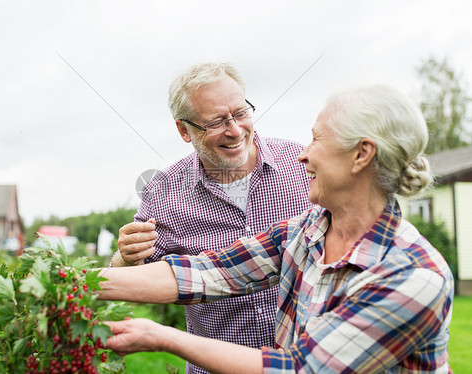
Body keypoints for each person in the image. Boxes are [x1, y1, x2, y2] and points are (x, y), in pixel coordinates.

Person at [99, 84, 454, 373]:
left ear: (361, 155)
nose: (304, 155)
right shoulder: (306, 232)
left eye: (317, 141)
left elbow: (302, 369)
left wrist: (163, 337)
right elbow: (205, 273)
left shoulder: (413, 274)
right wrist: (70, 282)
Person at [111, 63, 312, 372]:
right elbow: (142, 277)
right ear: (183, 130)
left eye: (241, 113)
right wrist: (125, 259)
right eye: (216, 121)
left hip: (308, 363)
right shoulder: (162, 194)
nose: (234, 130)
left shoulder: (300, 165)